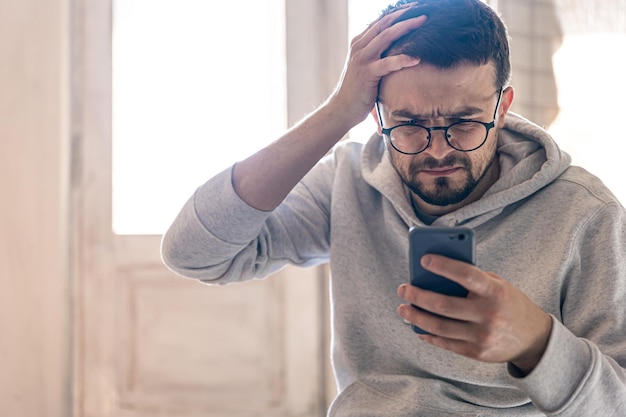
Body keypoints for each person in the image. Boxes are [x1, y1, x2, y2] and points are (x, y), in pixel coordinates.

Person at [160, 0, 626, 415]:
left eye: (464, 123)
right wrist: (339, 111)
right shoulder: (349, 182)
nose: (438, 151)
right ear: (376, 113)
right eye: (408, 124)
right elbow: (194, 253)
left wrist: (537, 343)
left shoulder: (585, 215)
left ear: (502, 107)